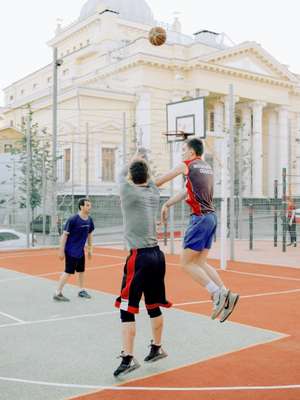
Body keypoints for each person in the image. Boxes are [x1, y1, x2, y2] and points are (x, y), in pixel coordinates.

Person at [155, 137, 239, 323]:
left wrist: (139, 186)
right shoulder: (206, 168)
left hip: (200, 219)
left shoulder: (187, 164)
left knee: (185, 263)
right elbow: (187, 191)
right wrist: (167, 204)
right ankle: (225, 293)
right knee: (200, 262)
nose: (182, 152)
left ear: (192, 152)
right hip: (211, 217)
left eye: (184, 149)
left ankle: (216, 294)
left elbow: (161, 180)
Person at [113, 150, 171, 377]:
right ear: (147, 176)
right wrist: (143, 161)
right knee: (153, 304)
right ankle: (157, 347)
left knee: (127, 308)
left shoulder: (127, 191)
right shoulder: (154, 192)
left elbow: (122, 172)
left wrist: (133, 158)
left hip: (139, 258)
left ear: (131, 177)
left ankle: (127, 358)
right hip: (158, 256)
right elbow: (150, 178)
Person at [53, 198, 94, 302]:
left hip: (80, 251)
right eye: (88, 205)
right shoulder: (73, 219)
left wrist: (89, 249)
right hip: (71, 250)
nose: (90, 207)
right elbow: (64, 235)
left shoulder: (89, 220)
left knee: (81, 271)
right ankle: (57, 292)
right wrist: (61, 250)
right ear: (81, 206)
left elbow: (90, 235)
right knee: (68, 272)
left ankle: (81, 290)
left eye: (90, 205)